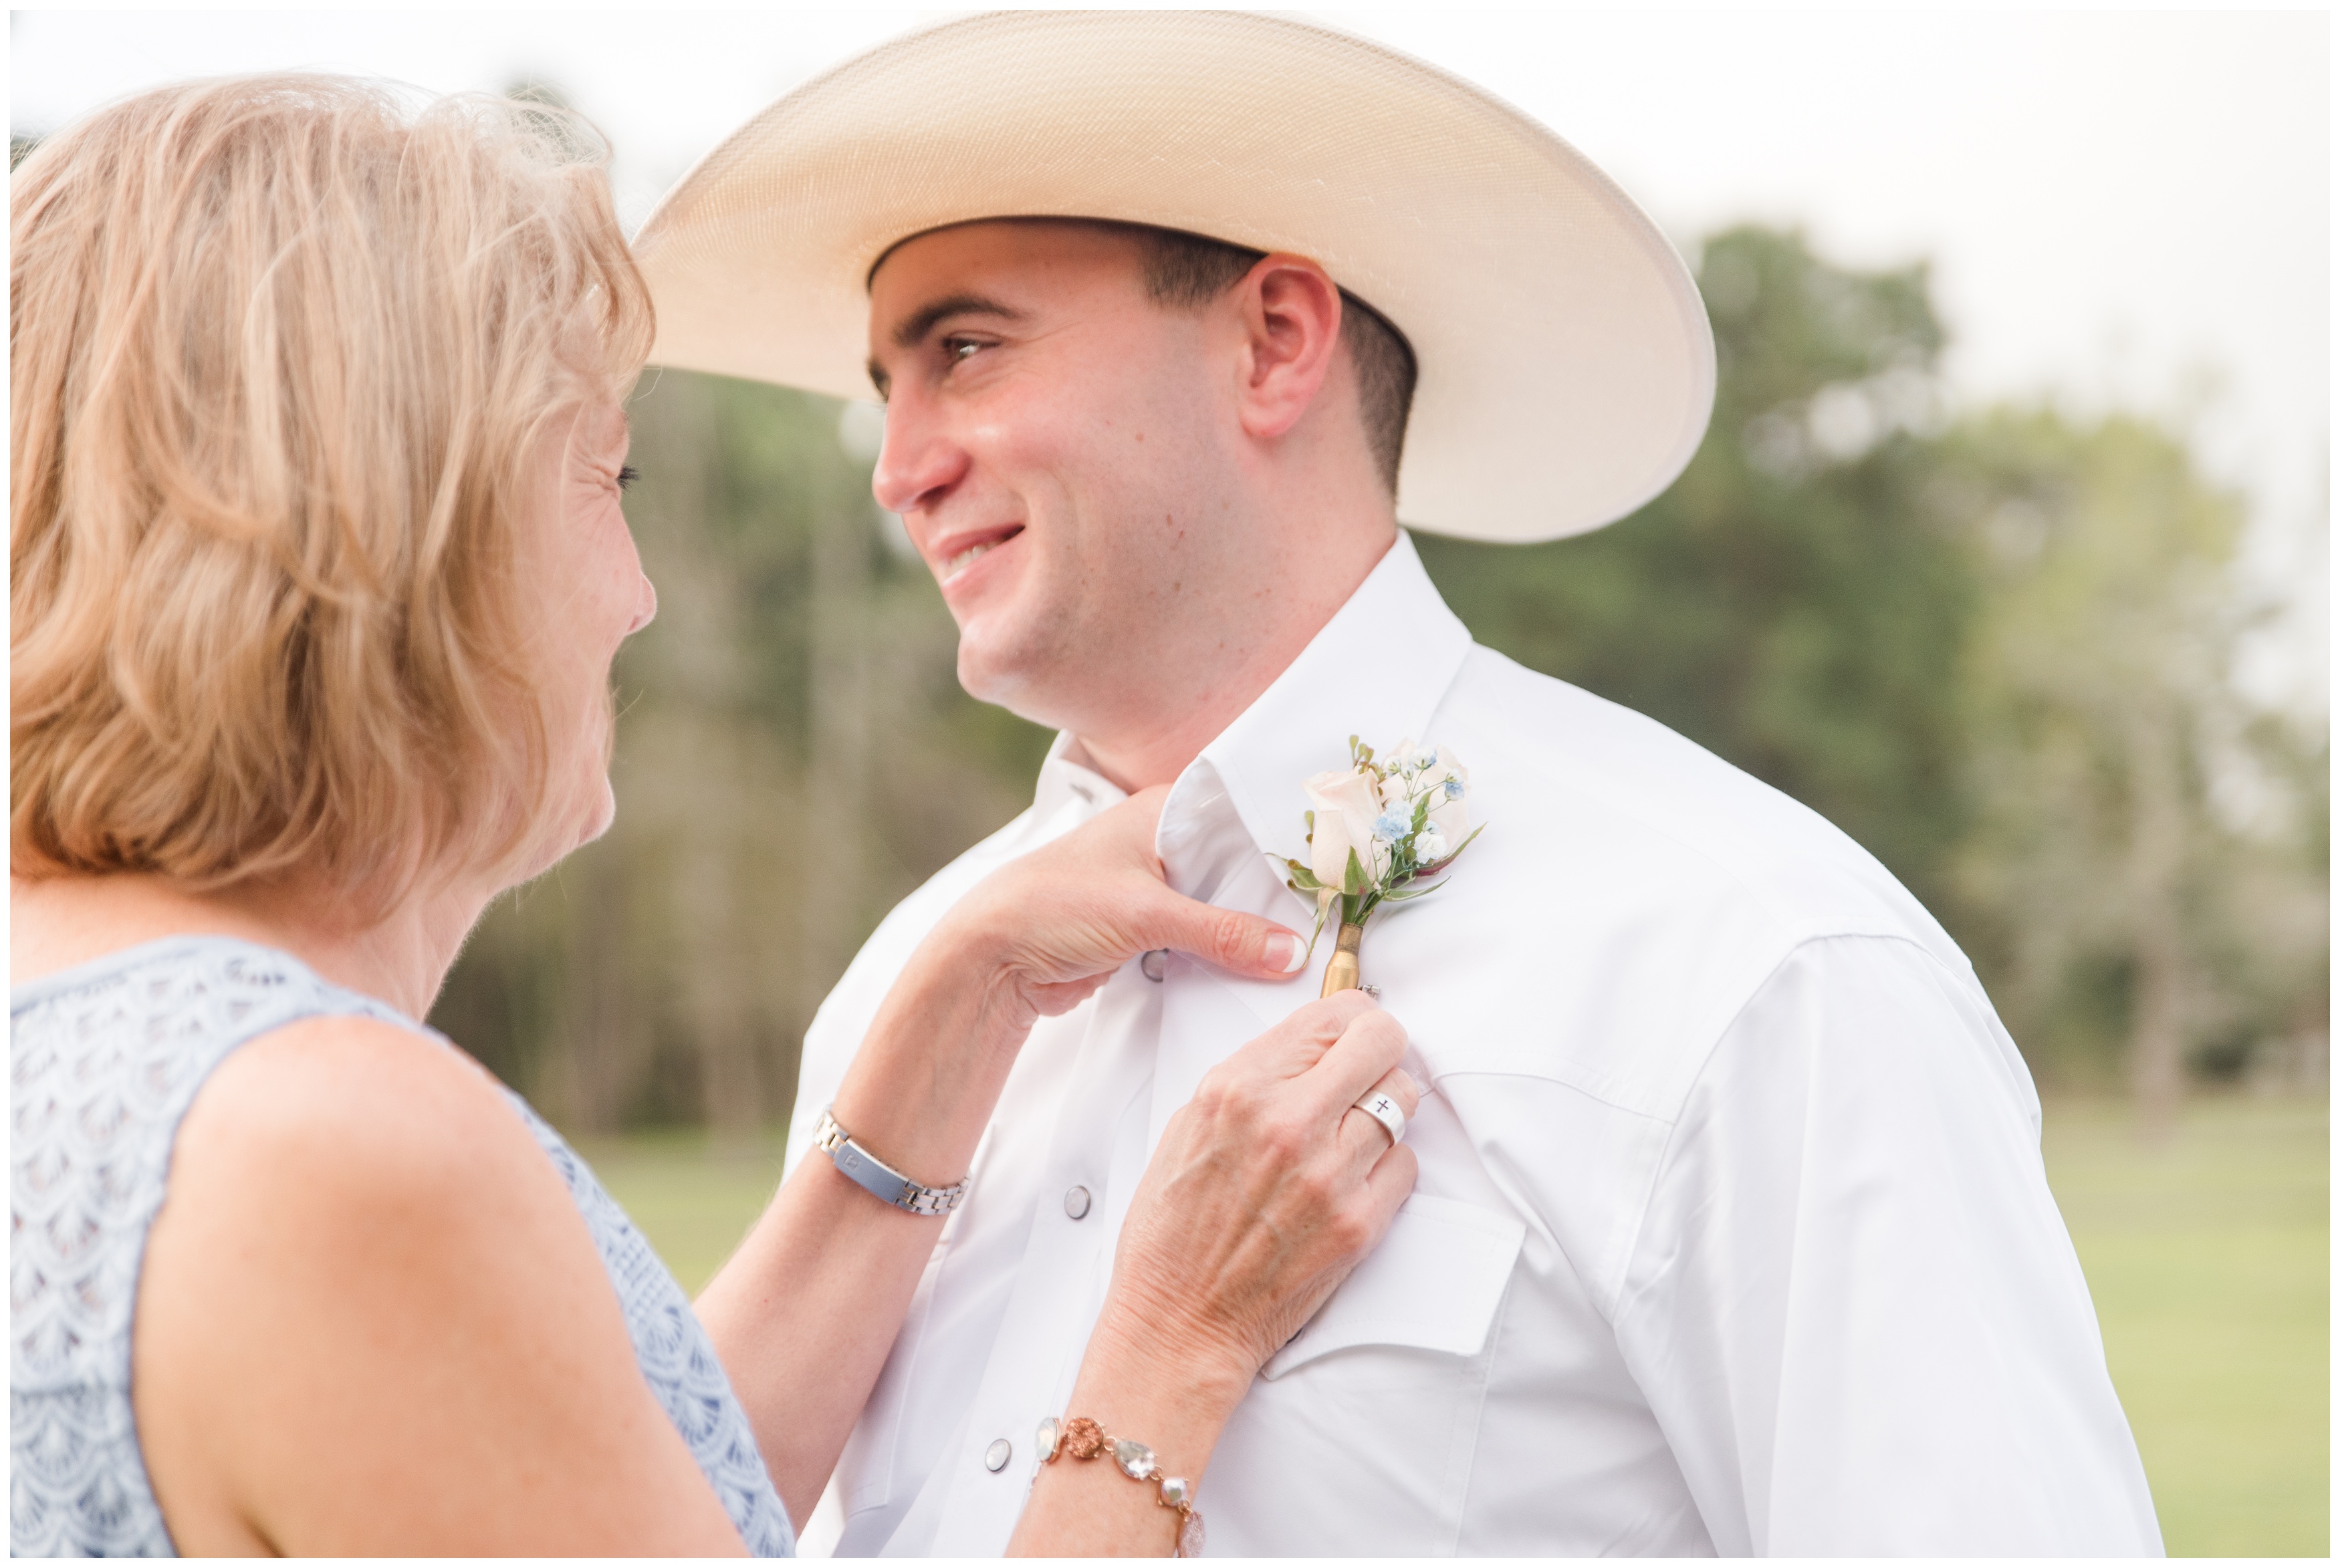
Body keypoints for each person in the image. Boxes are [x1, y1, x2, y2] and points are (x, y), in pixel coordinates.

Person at [633, 11, 2166, 1556]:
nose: (895, 465)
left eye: (963, 350)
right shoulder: (901, 995)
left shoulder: (1755, 963)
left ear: (1274, 343)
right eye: (884, 386)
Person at [8, 74, 1425, 1558]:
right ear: (408, 522)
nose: (637, 596)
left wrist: (949, 1010)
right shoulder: (335, 1149)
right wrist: (1170, 1348)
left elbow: (592, 1495)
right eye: (602, 475)